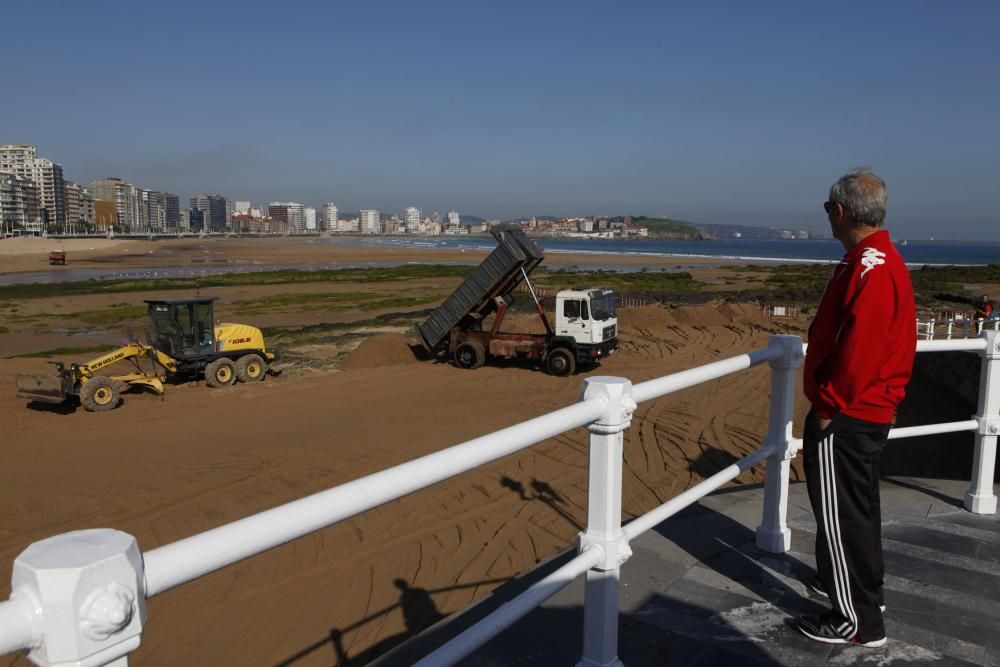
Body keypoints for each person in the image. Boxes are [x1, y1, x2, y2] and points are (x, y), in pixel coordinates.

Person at [795, 170, 916, 648]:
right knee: (858, 510)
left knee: (841, 514)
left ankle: (856, 620)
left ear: (841, 211)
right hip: (867, 411)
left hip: (847, 415)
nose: (827, 215)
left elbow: (860, 348)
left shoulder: (870, 266)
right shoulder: (879, 260)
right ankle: (860, 591)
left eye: (827, 208)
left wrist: (827, 406)